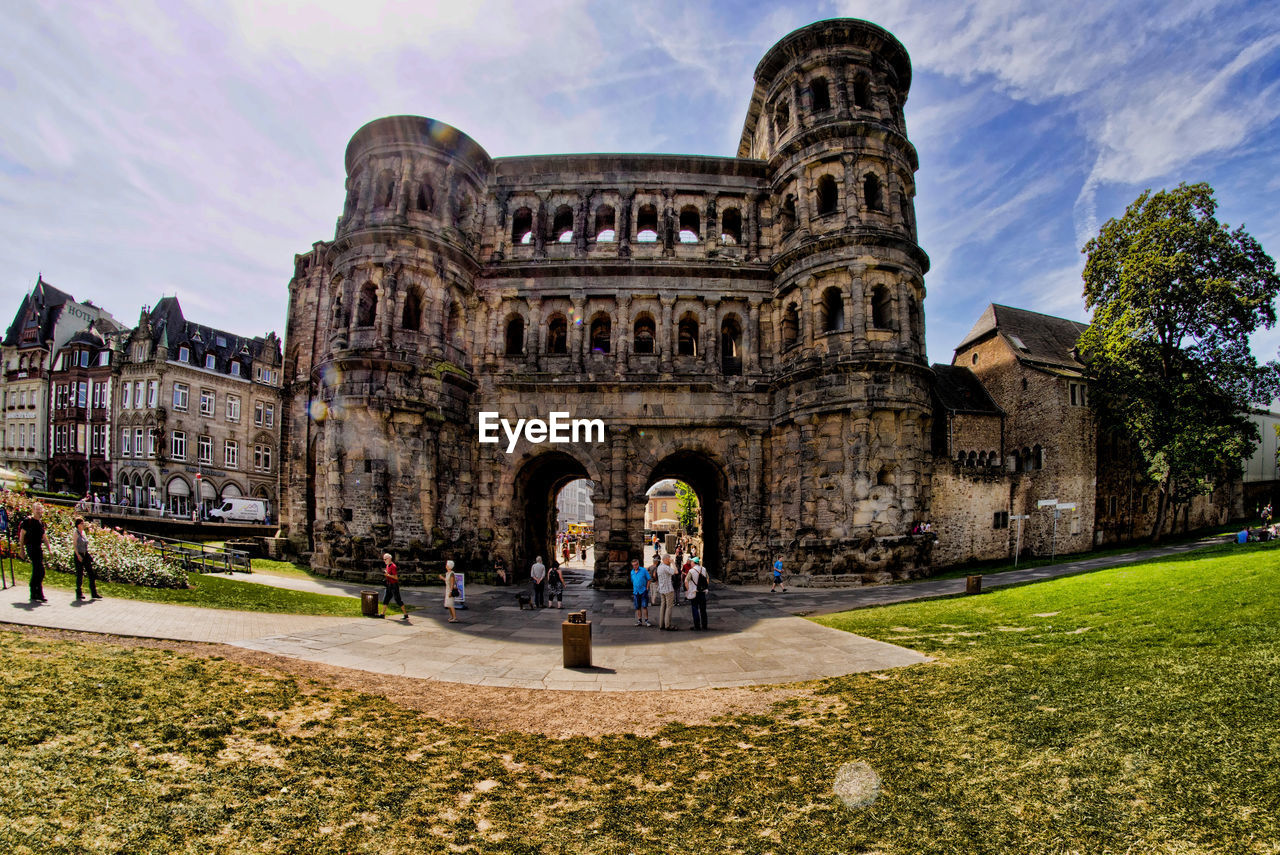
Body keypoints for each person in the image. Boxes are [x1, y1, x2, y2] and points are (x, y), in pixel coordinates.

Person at [20, 503, 50, 603]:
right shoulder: (28, 521)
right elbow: (22, 535)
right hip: (31, 547)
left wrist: (49, 549)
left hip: (38, 548)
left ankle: (34, 592)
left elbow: (44, 537)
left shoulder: (40, 523)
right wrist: (21, 550)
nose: (38, 511)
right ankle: (38, 593)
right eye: (37, 509)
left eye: (40, 509)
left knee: (39, 571)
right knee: (39, 569)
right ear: (33, 510)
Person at [72, 517, 102, 601]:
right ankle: (79, 592)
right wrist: (78, 555)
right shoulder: (76, 533)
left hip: (85, 554)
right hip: (79, 554)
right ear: (78, 525)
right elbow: (74, 545)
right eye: (82, 523)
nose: (83, 524)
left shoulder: (83, 532)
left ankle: (94, 592)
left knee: (91, 573)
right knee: (79, 574)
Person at [379, 552, 406, 618]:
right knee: (386, 599)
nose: (384, 561)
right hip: (389, 585)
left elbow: (396, 577)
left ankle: (405, 614)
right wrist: (386, 573)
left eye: (385, 559)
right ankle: (382, 614)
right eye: (384, 559)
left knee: (397, 599)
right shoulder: (388, 565)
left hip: (394, 585)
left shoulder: (393, 566)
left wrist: (388, 575)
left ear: (389, 559)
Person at [656, 554, 677, 630]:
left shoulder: (659, 567)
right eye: (669, 559)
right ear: (666, 560)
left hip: (662, 589)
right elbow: (676, 571)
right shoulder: (665, 567)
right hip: (668, 590)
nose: (670, 560)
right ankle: (667, 625)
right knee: (669, 607)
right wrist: (673, 563)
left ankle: (661, 624)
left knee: (662, 607)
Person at [687, 557, 709, 631]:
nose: (690, 563)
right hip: (702, 592)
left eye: (691, 562)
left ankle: (697, 626)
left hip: (694, 592)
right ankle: (704, 625)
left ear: (694, 562)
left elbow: (686, 581)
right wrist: (704, 587)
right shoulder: (704, 569)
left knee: (695, 609)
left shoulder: (691, 571)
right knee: (703, 609)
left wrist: (688, 590)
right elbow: (707, 579)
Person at [630, 557, 652, 627]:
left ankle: (647, 620)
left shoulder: (643, 570)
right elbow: (632, 581)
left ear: (638, 564)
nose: (635, 566)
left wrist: (647, 588)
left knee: (644, 606)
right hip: (636, 592)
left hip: (643, 591)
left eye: (636, 564)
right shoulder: (632, 572)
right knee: (637, 607)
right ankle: (639, 620)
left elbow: (649, 579)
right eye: (633, 565)